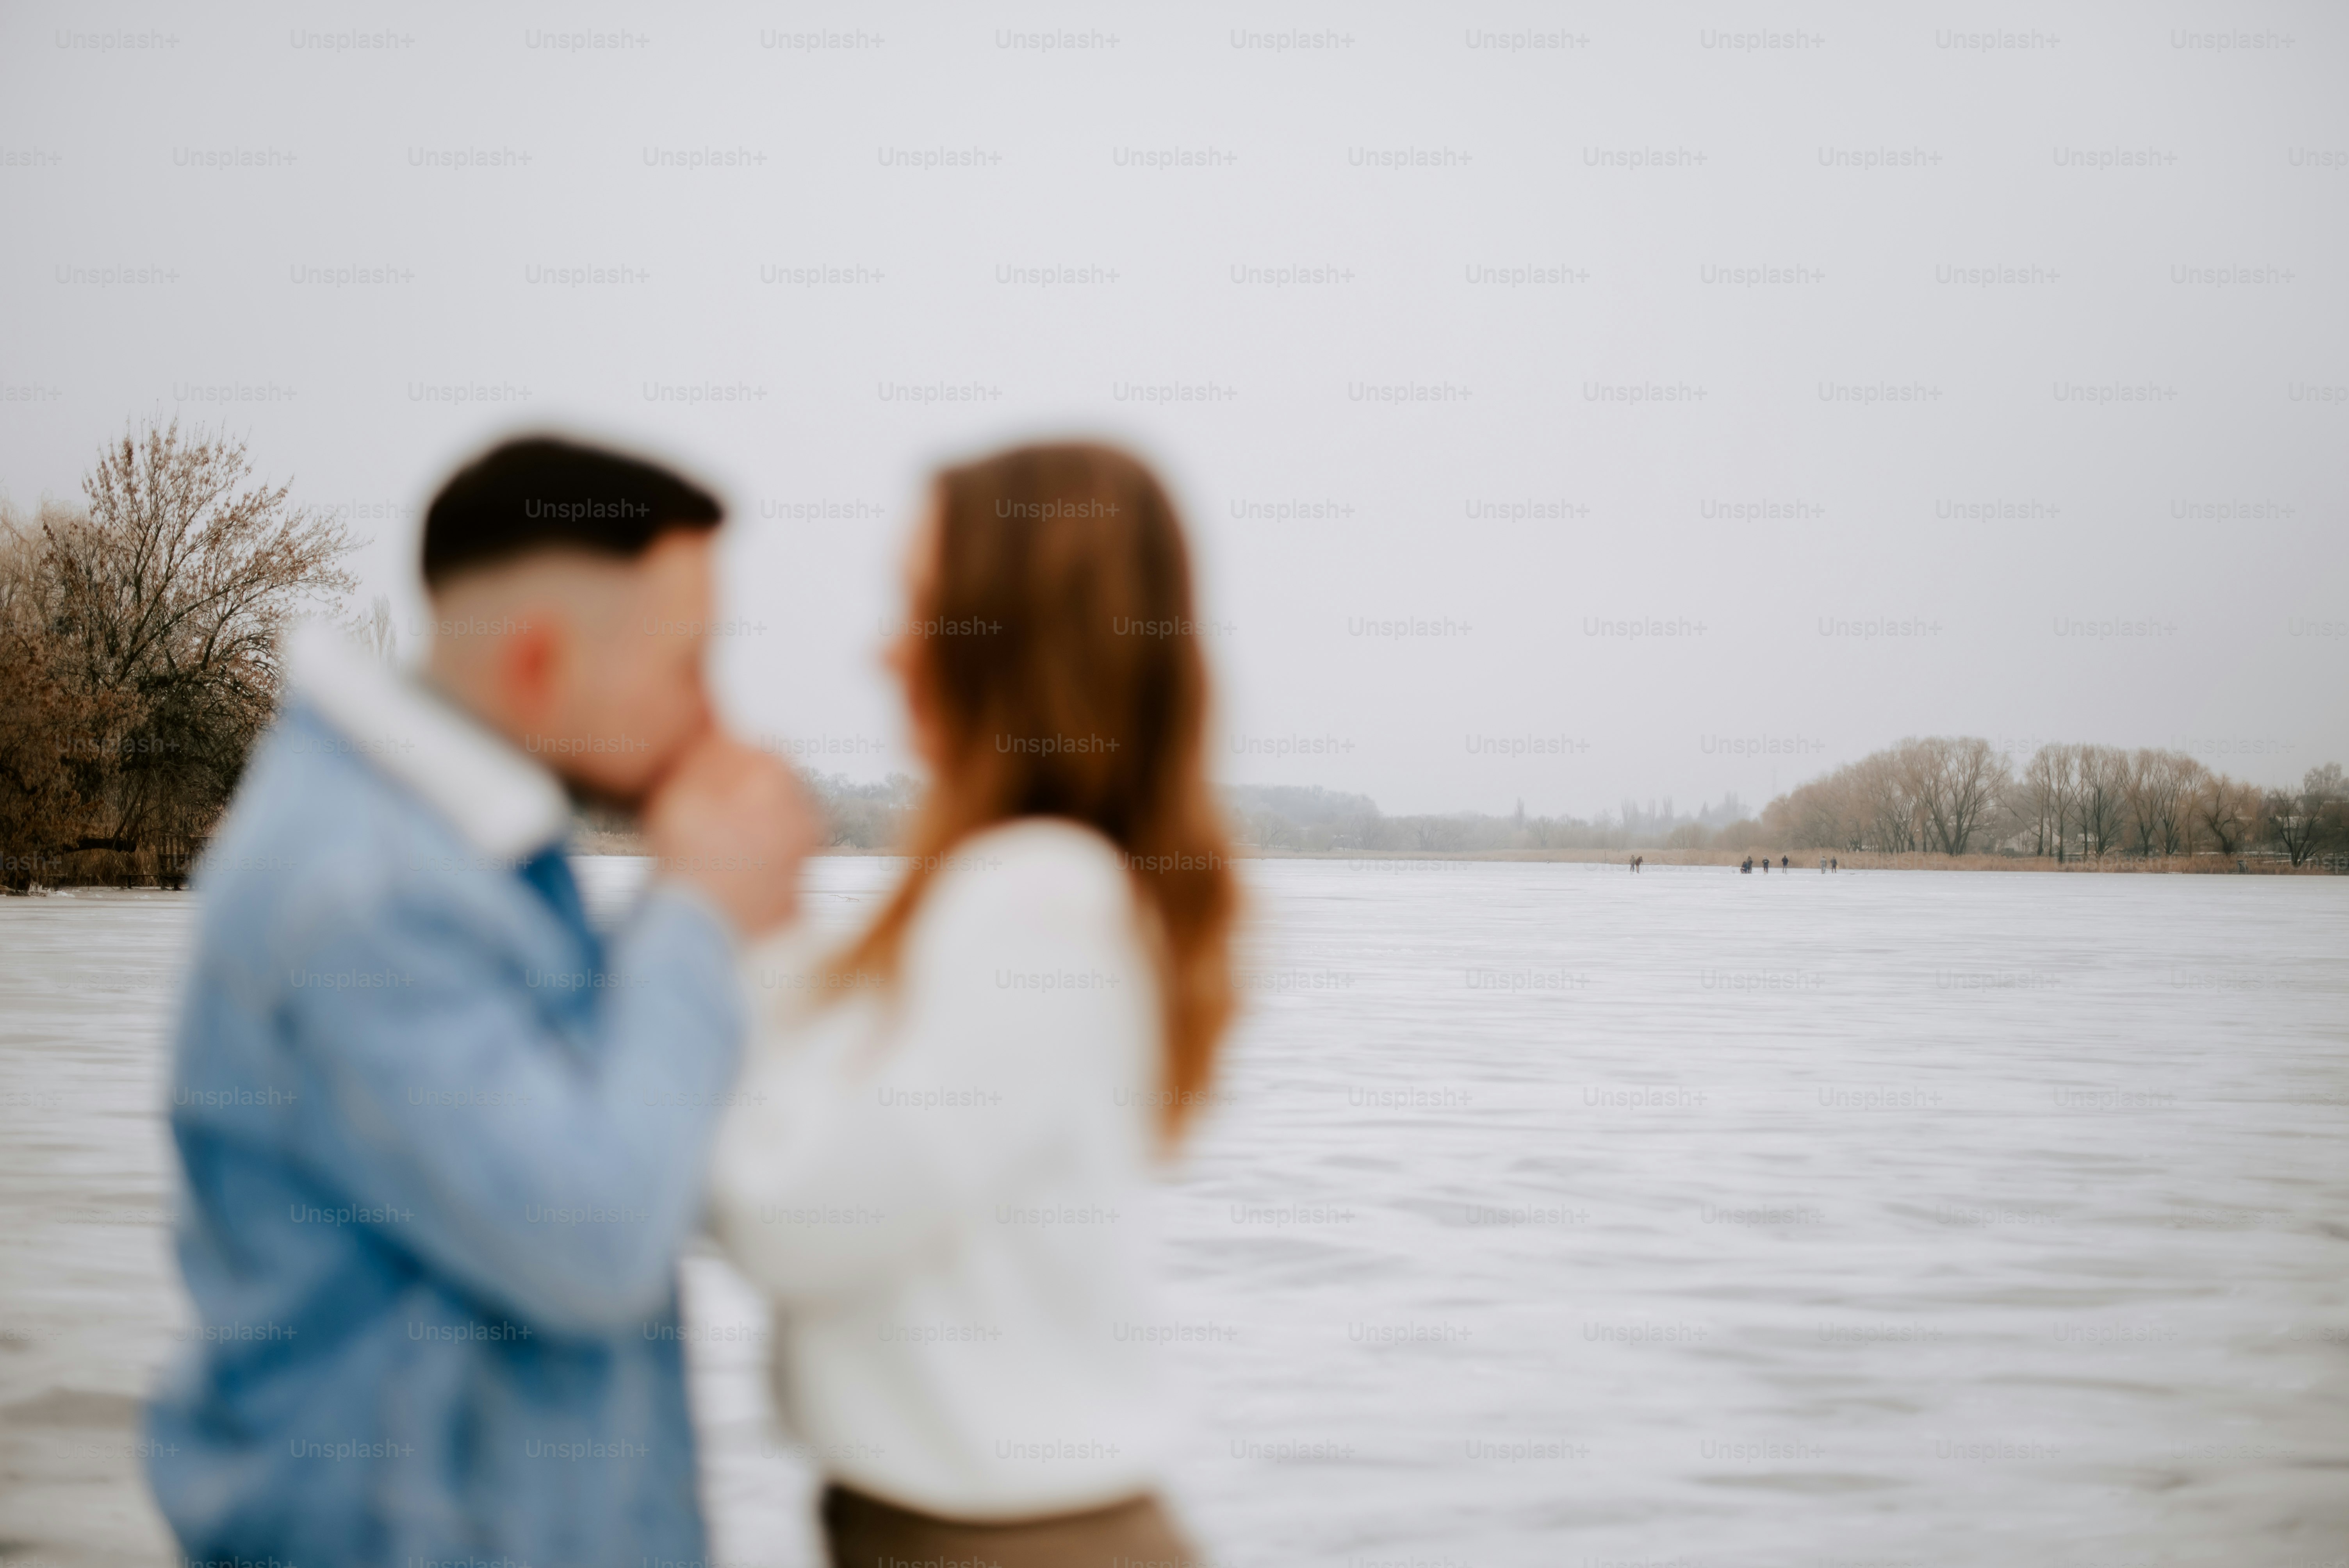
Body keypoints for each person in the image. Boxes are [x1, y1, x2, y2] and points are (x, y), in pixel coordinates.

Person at [146, 437, 816, 1567]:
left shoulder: (458, 854)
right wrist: (700, 916)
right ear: (540, 666)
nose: (712, 715)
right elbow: (594, 1237)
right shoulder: (369, 896)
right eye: (688, 664)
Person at [709, 442, 1237, 1566]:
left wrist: (737, 938)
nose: (885, 649)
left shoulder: (1034, 897)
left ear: (1016, 642)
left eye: (924, 608)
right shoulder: (1027, 889)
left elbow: (793, 1219)